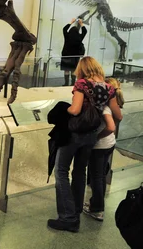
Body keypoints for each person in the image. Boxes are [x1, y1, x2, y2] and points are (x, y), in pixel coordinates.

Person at [48, 56, 121, 232]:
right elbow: (118, 116)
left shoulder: (81, 84)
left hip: (75, 134)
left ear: (82, 69)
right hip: (91, 135)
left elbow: (75, 109)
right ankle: (77, 209)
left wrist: (61, 109)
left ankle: (68, 217)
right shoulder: (109, 88)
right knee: (80, 171)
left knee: (61, 172)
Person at [83, 77, 124, 222]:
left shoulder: (105, 107)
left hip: (100, 146)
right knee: (100, 175)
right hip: (109, 144)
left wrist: (96, 137)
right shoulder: (115, 106)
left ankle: (97, 209)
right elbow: (118, 119)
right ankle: (95, 202)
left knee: (96, 177)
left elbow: (111, 126)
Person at [60, 18, 87, 86]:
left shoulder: (67, 36)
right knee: (73, 70)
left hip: (66, 55)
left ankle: (66, 83)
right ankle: (72, 83)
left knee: (66, 70)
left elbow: (64, 29)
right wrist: (81, 24)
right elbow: (85, 31)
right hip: (75, 57)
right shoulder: (79, 37)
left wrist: (71, 22)